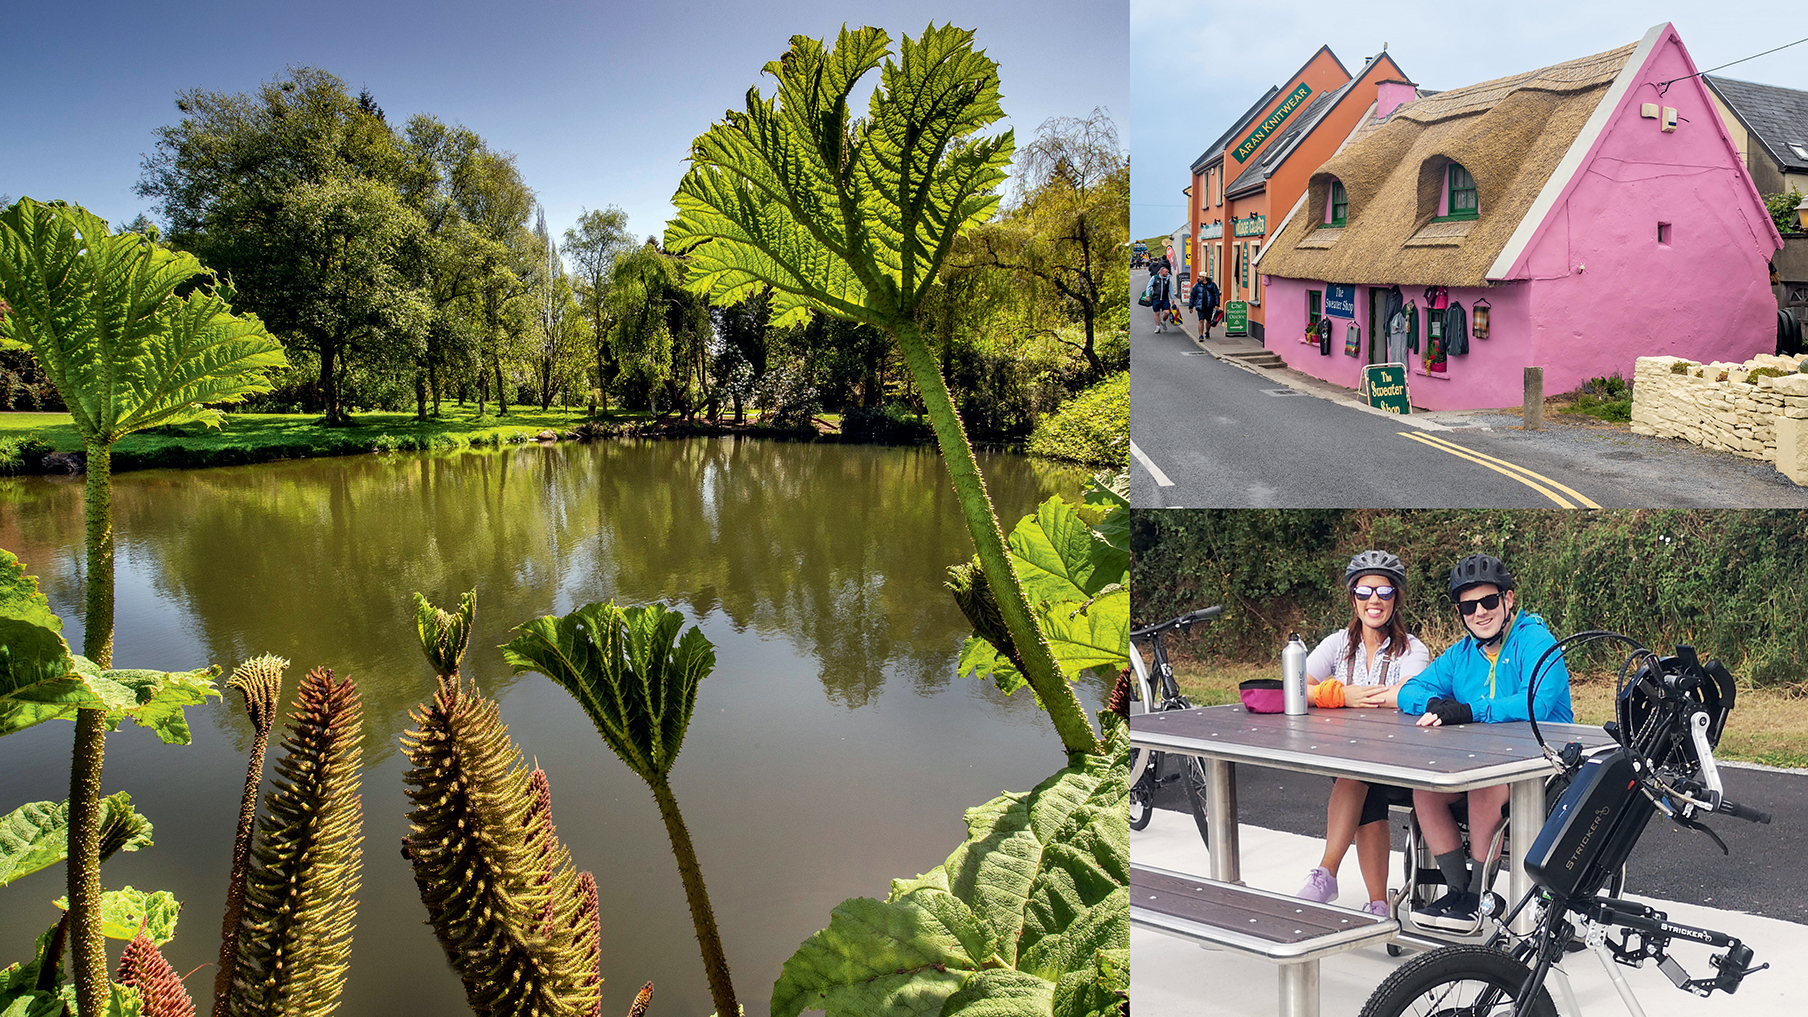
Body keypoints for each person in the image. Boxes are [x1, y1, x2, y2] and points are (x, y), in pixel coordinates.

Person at [1394, 553, 1573, 929]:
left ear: (1508, 600)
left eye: (1489, 602)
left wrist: (1470, 710)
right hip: (1483, 762)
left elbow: (1536, 702)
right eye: (1468, 606)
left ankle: (1479, 894)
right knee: (1425, 790)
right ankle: (1457, 891)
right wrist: (1434, 703)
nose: (1480, 612)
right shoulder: (1461, 654)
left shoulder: (1536, 640)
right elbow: (1409, 691)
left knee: (1483, 788)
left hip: (1544, 764)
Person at [1295, 550, 1430, 918]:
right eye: (1365, 591)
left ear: (1396, 599)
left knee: (1356, 775)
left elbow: (1408, 694)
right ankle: (1379, 905)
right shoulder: (1338, 643)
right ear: (1353, 597)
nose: (1375, 601)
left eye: (1385, 593)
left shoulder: (1413, 649)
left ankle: (1327, 873)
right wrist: (1340, 693)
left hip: (1403, 760)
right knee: (1360, 781)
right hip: (1352, 759)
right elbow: (1292, 688)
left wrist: (1338, 696)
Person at [1189, 273, 1220, 337]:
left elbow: (1216, 295)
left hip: (1209, 305)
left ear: (1204, 277)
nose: (1199, 278)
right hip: (1200, 306)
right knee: (1201, 320)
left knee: (1208, 320)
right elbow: (1192, 296)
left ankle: (1207, 331)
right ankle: (1200, 335)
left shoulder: (1212, 285)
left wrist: (1217, 304)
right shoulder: (1196, 286)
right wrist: (1190, 306)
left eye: (1200, 276)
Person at [1149, 264, 1174, 333]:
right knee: (1157, 313)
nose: (1167, 273)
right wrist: (1148, 295)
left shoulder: (1168, 279)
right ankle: (1157, 327)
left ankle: (1163, 321)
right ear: (1162, 272)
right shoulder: (1155, 278)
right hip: (1156, 298)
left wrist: (1172, 298)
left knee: (1167, 312)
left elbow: (1170, 289)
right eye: (1166, 272)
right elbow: (1149, 286)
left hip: (1165, 299)